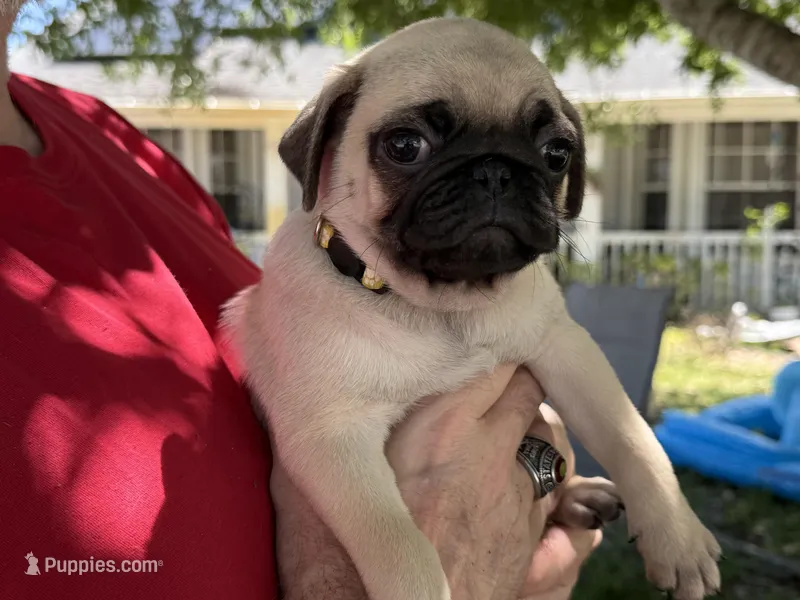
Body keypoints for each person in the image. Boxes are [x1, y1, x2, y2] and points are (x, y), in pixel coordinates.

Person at [0, 5, 600, 599]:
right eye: (407, 146)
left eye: (550, 157)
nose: (488, 184)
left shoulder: (117, 140)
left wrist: (524, 481)